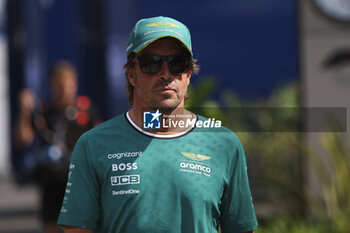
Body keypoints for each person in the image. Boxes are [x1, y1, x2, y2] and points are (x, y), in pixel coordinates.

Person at [58, 16, 258, 233]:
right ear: (132, 75)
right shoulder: (93, 145)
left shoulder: (223, 144)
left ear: (188, 74)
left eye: (177, 63)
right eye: (150, 63)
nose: (165, 74)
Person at [13, 61, 102, 233]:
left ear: (75, 84)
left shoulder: (86, 109)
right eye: (59, 86)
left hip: (79, 181)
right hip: (51, 183)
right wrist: (24, 112)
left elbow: (101, 142)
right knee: (51, 226)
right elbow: (22, 140)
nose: (65, 91)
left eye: (69, 85)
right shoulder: (43, 112)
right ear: (52, 86)